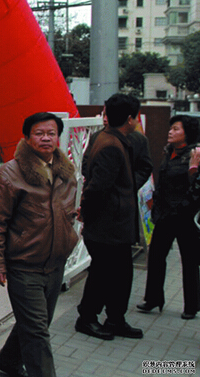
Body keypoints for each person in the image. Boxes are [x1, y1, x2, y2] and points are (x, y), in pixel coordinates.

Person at [0, 112, 79, 377]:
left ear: (58, 137)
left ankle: (8, 360)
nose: (46, 138)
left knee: (38, 322)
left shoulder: (66, 172)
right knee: (37, 332)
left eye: (51, 133)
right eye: (39, 133)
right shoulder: (9, 174)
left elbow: (65, 209)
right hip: (24, 265)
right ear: (27, 137)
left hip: (55, 262)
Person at [75, 93, 144, 340]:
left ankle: (115, 319)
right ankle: (87, 318)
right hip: (108, 225)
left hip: (114, 224)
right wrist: (87, 215)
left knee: (120, 274)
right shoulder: (111, 145)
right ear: (130, 119)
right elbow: (97, 188)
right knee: (103, 274)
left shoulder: (107, 138)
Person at [136, 115, 200, 319]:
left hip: (184, 216)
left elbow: (197, 188)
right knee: (156, 256)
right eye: (170, 128)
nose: (170, 132)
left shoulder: (195, 153)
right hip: (165, 214)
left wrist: (185, 207)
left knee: (189, 261)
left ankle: (191, 306)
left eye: (176, 129)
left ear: (187, 133)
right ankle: (153, 299)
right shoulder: (169, 151)